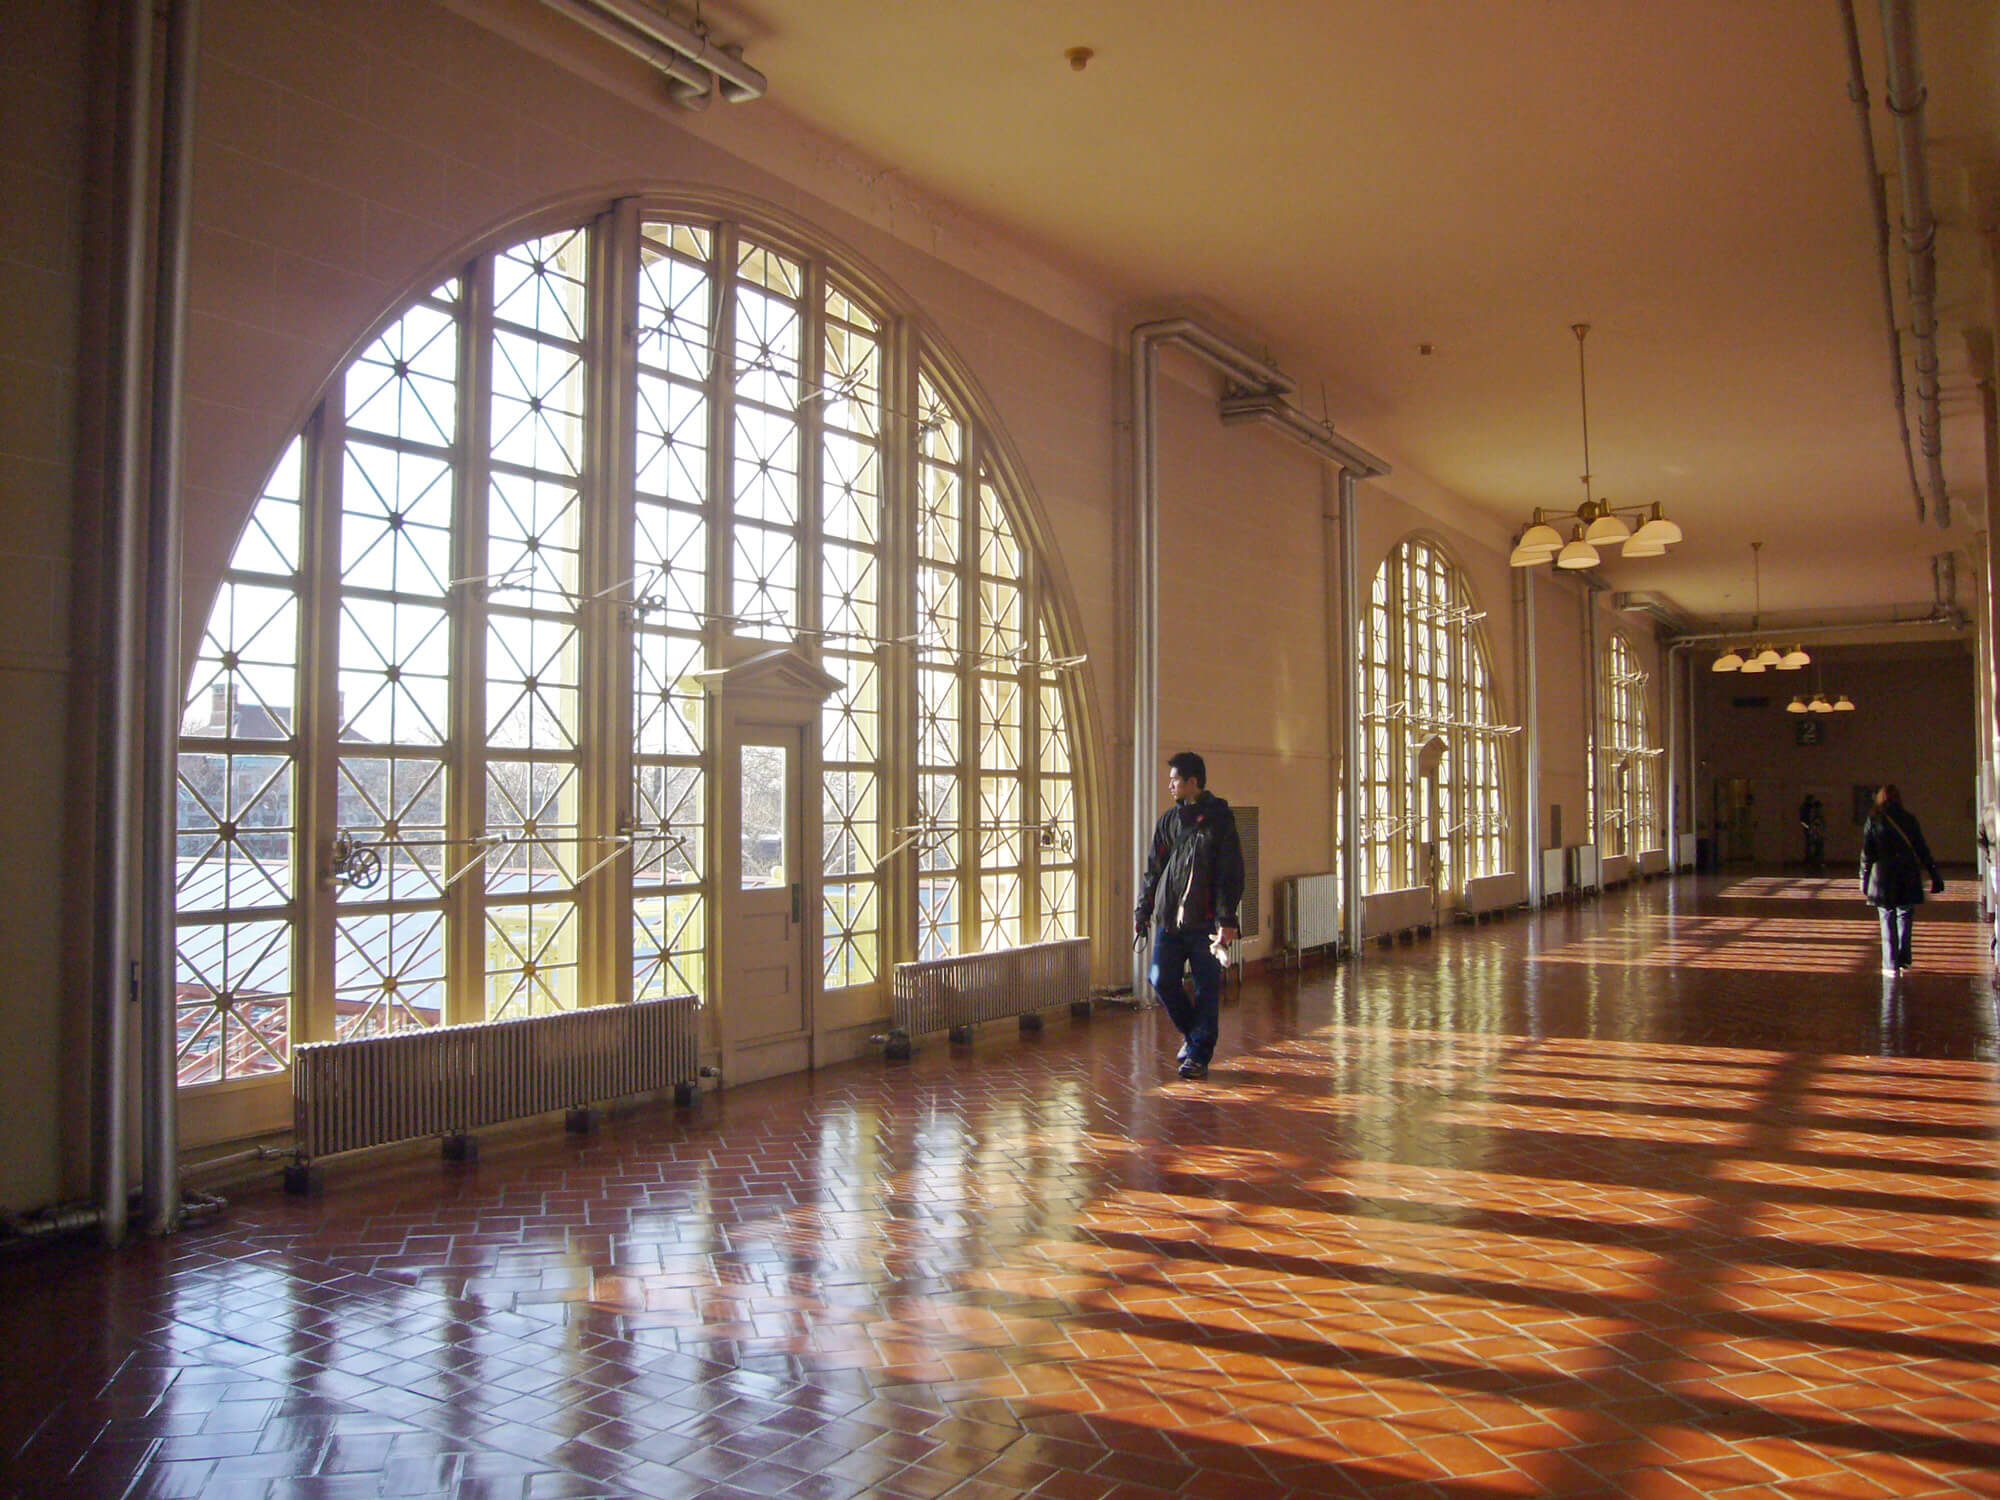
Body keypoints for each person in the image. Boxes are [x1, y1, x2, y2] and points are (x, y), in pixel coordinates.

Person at [1134, 751, 1243, 1080]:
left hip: (1206, 924)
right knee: (1160, 978)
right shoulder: (1169, 821)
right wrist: (1144, 909)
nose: (1170, 785)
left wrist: (1226, 920)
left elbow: (1230, 872)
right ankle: (1194, 1035)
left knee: (1207, 989)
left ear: (1192, 783)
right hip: (1170, 920)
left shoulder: (1220, 820)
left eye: (1175, 779)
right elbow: (1154, 869)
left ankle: (1198, 1054)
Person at [1859, 783, 1944, 975]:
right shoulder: (1909, 819)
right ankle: (1904, 960)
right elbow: (1921, 848)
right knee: (1905, 915)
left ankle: (1890, 964)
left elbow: (1867, 852)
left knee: (1887, 915)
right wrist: (1933, 873)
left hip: (1883, 875)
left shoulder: (1874, 820)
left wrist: (1863, 877)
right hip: (1907, 873)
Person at [1799, 793, 1826, 868]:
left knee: (1816, 847)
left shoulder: (1813, 813)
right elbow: (1805, 821)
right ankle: (1813, 862)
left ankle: (1815, 862)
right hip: (1814, 831)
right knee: (1814, 847)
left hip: (1815, 831)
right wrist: (1809, 828)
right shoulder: (1810, 811)